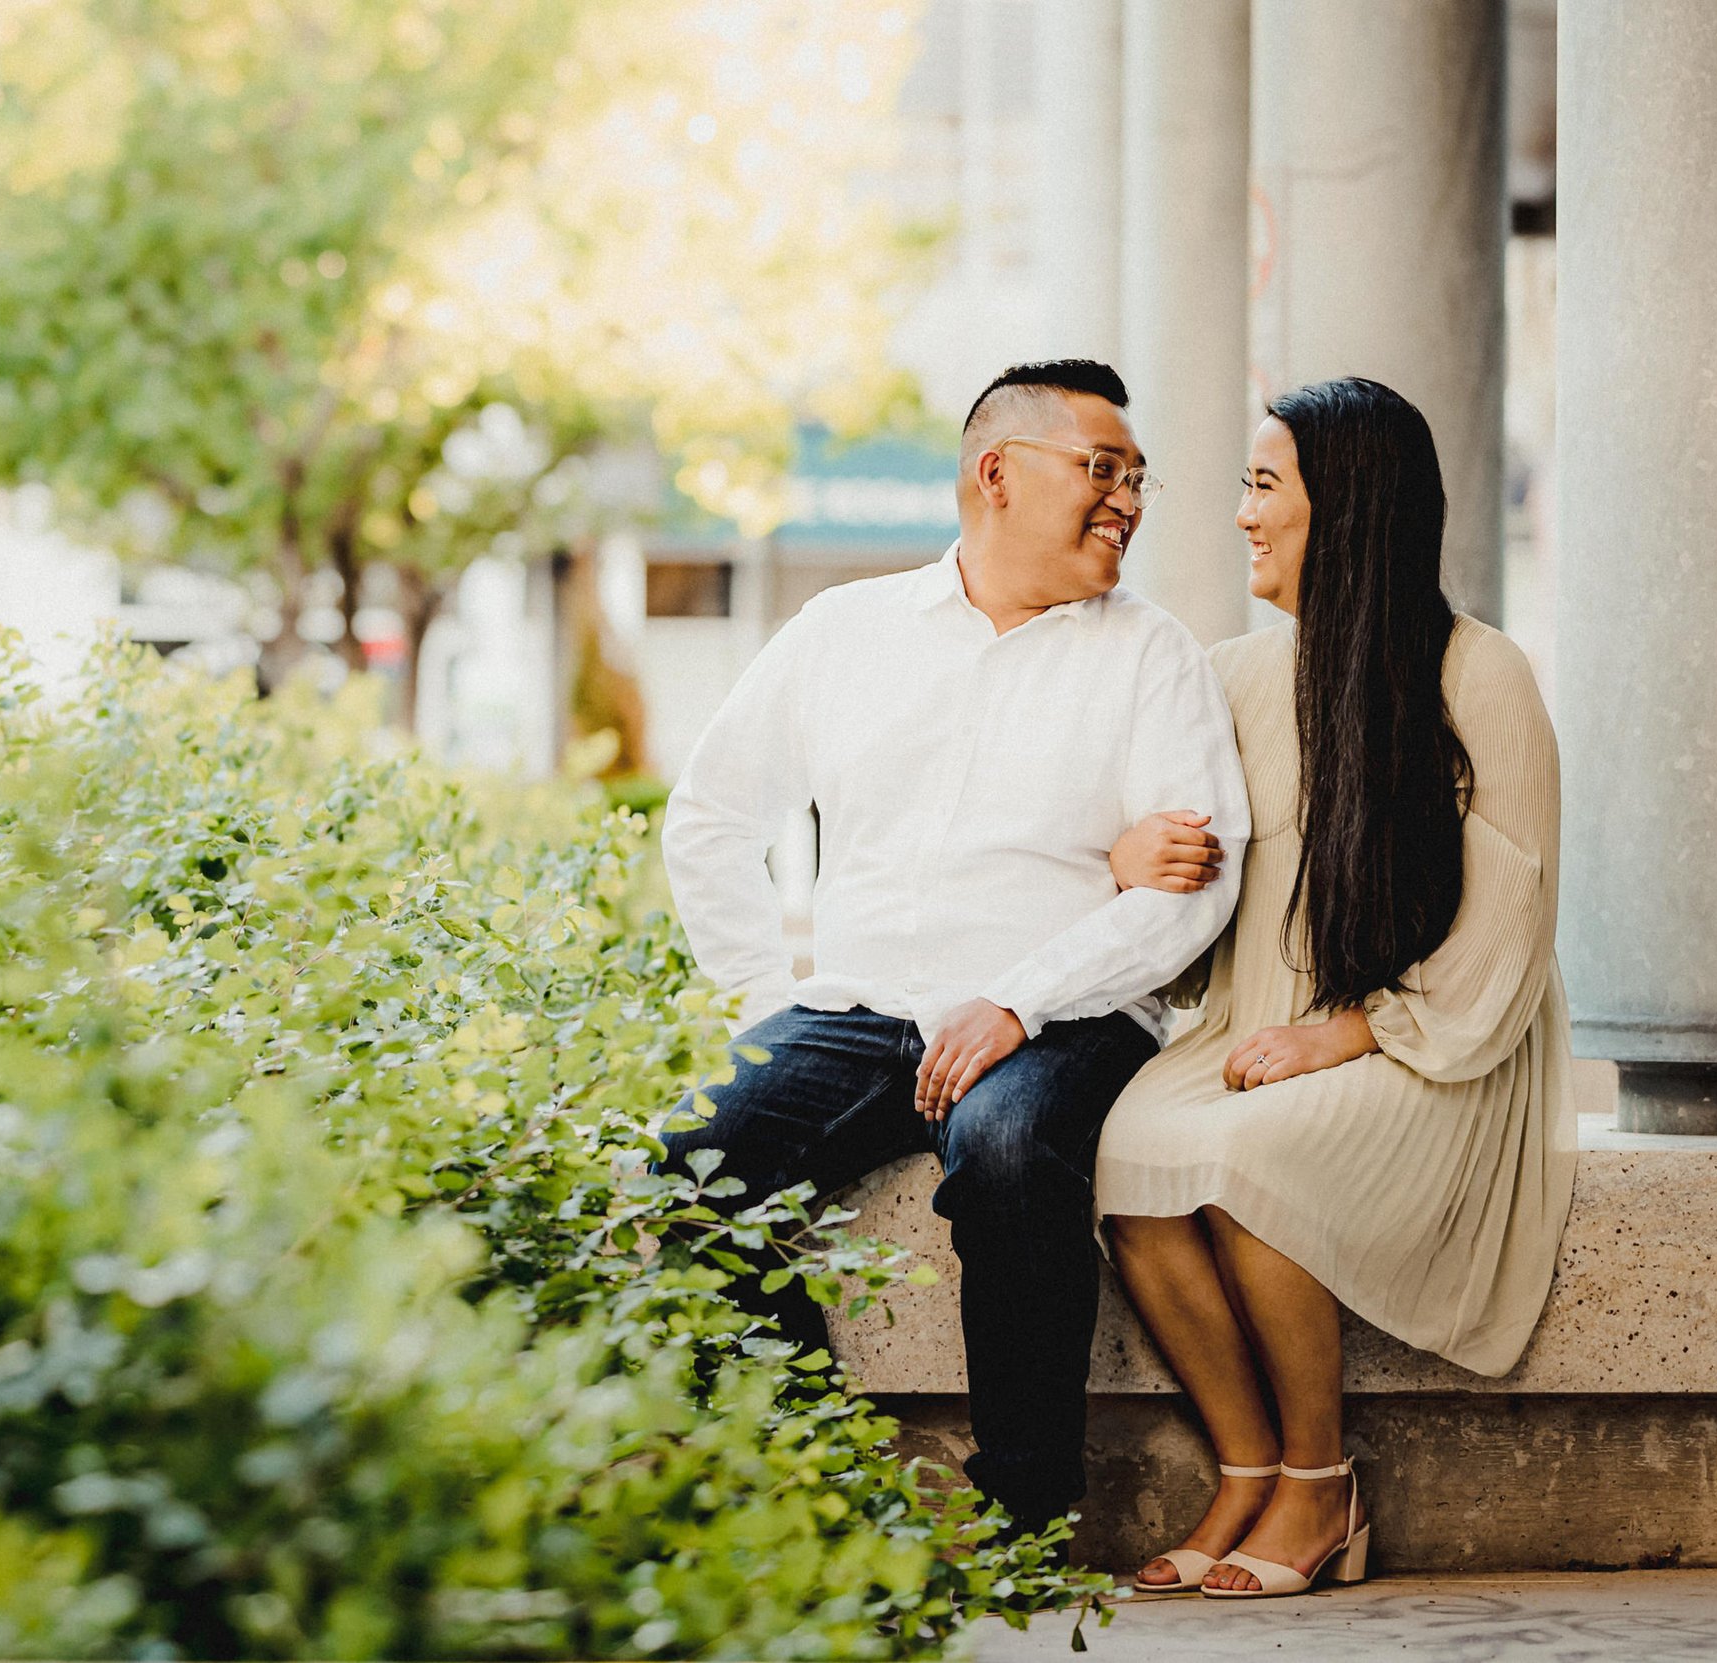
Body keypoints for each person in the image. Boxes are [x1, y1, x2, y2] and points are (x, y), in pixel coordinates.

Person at [658, 358, 1249, 1531]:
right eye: (1101, 469)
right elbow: (712, 817)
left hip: (1069, 1018)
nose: (1127, 500)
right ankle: (809, 1490)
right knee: (688, 1172)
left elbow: (1189, 889)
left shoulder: (1149, 654)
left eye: (1137, 479)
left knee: (1010, 1143)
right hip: (860, 1011)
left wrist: (1020, 1001)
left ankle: (1023, 1515)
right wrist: (762, 1001)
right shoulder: (845, 631)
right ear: (996, 473)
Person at [1097, 376, 1577, 1598]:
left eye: (1264, 486)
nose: (1242, 516)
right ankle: (1248, 1465)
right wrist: (1129, 860)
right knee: (1130, 1157)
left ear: (1348, 503)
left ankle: (1322, 1483)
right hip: (1259, 1021)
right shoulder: (1233, 677)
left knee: (1254, 1163)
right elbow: (1189, 890)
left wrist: (1349, 1032)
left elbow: (1508, 930)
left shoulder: (1482, 677)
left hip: (1433, 1044)